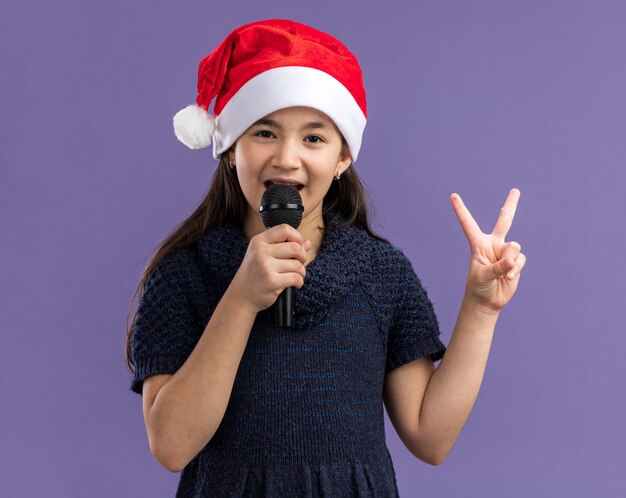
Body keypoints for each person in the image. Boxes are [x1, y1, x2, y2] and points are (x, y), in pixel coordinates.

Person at [125, 19, 526, 498]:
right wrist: (240, 299)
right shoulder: (184, 274)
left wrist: (480, 309)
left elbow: (430, 437)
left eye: (313, 138)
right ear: (231, 149)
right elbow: (171, 446)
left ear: (342, 159)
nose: (287, 158)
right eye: (265, 133)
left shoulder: (381, 273)